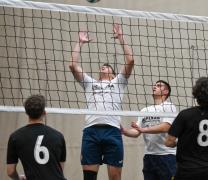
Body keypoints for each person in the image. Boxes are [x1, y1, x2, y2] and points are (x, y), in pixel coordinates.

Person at [69, 24, 134, 180]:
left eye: (107, 66)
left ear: (112, 73)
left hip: (112, 131)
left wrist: (121, 38)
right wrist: (80, 42)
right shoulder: (90, 83)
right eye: (102, 66)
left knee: (115, 177)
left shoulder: (119, 82)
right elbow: (73, 65)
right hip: (91, 131)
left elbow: (131, 60)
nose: (104, 67)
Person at [121, 80, 176, 180]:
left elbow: (166, 127)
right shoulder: (145, 110)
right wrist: (124, 131)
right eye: (154, 85)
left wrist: (143, 130)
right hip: (149, 156)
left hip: (167, 156)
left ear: (166, 91)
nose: (154, 87)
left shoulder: (169, 106)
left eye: (159, 86)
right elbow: (137, 132)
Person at [6, 94, 66, 180]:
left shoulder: (15, 137)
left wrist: (18, 178)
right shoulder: (58, 136)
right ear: (44, 112)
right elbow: (60, 169)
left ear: (26, 113)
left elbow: (10, 171)